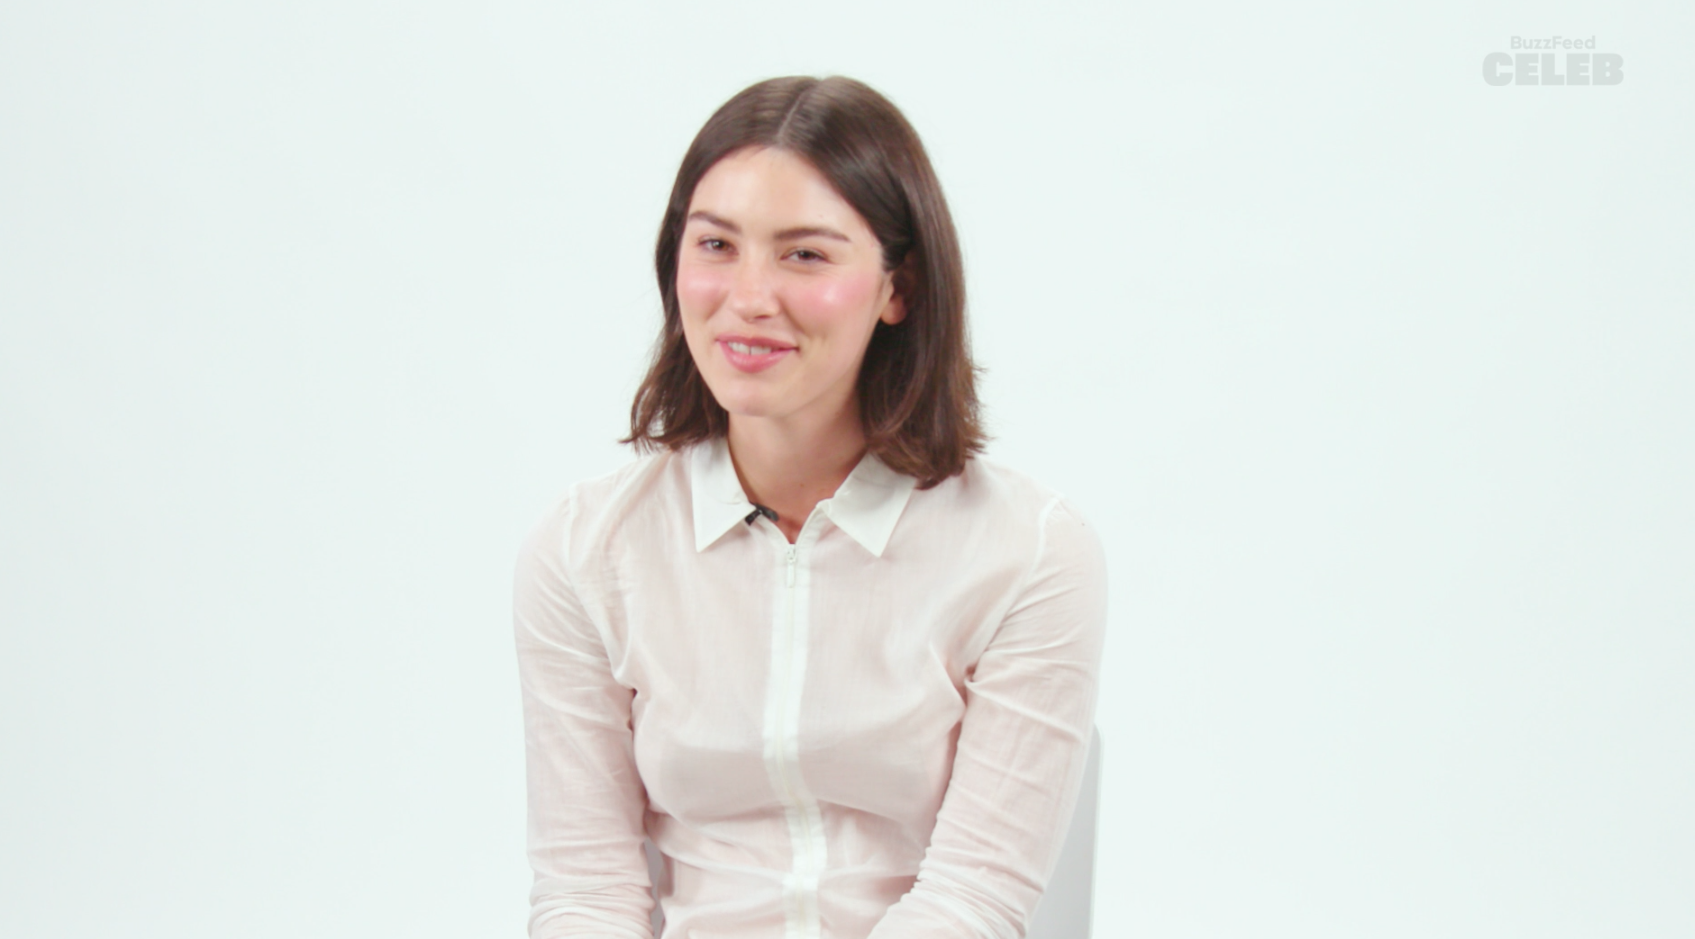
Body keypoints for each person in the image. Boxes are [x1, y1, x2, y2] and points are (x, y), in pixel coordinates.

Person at [513, 75, 1107, 939]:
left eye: (805, 254)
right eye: (715, 245)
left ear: (896, 288)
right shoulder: (581, 549)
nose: (748, 297)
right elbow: (584, 894)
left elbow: (972, 901)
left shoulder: (1031, 553)